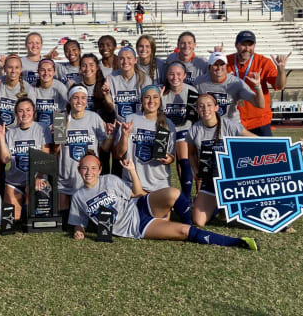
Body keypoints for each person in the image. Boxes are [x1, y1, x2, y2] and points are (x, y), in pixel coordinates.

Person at [69, 152, 259, 251]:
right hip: (136, 227)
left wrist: (132, 170)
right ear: (79, 170)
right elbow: (79, 224)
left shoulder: (109, 179)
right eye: (84, 168)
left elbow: (136, 192)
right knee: (183, 233)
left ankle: (189, 222)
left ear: (100, 169)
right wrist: (79, 233)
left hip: (139, 205)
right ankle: (237, 242)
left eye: (93, 168)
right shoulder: (78, 197)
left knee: (173, 193)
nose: (89, 172)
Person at [186, 94, 256, 227]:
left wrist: (291, 148)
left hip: (233, 179)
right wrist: (195, 170)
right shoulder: (195, 129)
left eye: (209, 105)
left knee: (248, 218)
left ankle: (226, 205)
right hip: (210, 179)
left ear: (217, 107)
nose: (205, 109)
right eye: (201, 106)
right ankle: (218, 205)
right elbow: (191, 154)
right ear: (197, 110)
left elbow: (255, 140)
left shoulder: (229, 125)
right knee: (198, 221)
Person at [57, 85, 114, 227]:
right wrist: (56, 135)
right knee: (65, 223)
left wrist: (110, 135)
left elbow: (105, 148)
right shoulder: (60, 118)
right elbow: (55, 150)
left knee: (90, 223)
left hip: (88, 179)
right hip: (65, 178)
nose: (79, 101)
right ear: (70, 100)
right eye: (76, 98)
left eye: (83, 98)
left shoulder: (94, 118)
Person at [113, 86, 181, 203]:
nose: (151, 101)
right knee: (137, 219)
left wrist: (168, 159)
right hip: (132, 182)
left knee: (160, 219)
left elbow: (172, 156)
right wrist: (125, 135)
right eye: (147, 97)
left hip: (159, 182)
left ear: (160, 100)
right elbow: (118, 155)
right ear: (141, 100)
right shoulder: (130, 119)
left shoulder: (168, 124)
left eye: (155, 97)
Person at [0, 98, 52, 220]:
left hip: (36, 180)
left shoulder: (42, 128)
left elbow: (45, 158)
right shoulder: (10, 133)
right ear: (16, 113)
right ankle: (23, 205)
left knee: (36, 219)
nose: (25, 114)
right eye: (20, 111)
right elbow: (5, 159)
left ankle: (31, 202)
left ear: (34, 111)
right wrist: (1, 138)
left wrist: (39, 177)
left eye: (28, 110)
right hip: (14, 182)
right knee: (13, 220)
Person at [225, 30, 291, 136]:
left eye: (250, 45)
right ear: (236, 45)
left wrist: (281, 70)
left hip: (260, 120)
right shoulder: (226, 61)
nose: (247, 49)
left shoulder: (263, 62)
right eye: (243, 45)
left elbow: (280, 86)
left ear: (254, 46)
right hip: (234, 120)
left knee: (266, 152)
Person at [194, 52, 265, 124]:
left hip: (231, 126)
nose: (219, 68)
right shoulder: (199, 82)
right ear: (209, 67)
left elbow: (260, 104)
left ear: (226, 66)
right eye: (215, 65)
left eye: (222, 64)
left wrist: (258, 86)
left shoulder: (236, 83)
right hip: (209, 125)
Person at [161, 62, 198, 198]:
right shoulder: (162, 91)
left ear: (184, 76)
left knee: (184, 159)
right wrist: (158, 98)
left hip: (185, 130)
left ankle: (187, 197)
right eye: (171, 73)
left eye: (178, 74)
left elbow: (194, 118)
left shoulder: (192, 91)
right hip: (166, 131)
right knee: (161, 160)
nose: (175, 77)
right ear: (166, 75)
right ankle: (161, 192)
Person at [105, 46, 152, 120]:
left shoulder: (145, 79)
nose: (125, 61)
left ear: (135, 60)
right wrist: (107, 95)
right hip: (119, 124)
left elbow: (149, 105)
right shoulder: (111, 78)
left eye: (129, 58)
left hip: (139, 123)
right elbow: (110, 107)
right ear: (117, 61)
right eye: (121, 58)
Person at [0, 54, 32, 128]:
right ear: (4, 68)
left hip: (16, 130)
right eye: (10, 67)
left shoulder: (28, 89)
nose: (13, 71)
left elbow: (30, 117)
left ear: (21, 69)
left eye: (16, 67)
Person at [32, 59, 68, 126]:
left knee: (60, 134)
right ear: (38, 72)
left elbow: (64, 112)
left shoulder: (60, 87)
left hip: (57, 125)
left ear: (54, 72)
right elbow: (30, 113)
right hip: (38, 127)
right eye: (42, 70)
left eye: (49, 70)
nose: (46, 73)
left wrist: (57, 128)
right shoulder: (32, 88)